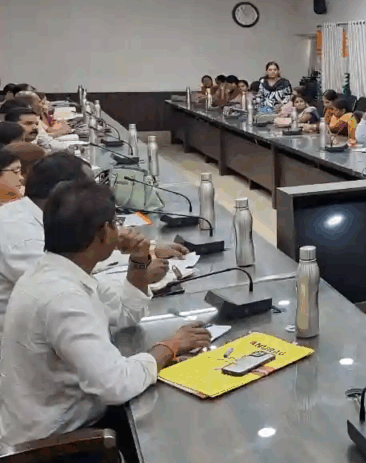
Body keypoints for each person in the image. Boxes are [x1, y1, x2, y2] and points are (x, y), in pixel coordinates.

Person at [0, 180, 212, 448]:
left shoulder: (58, 271)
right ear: (102, 233)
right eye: (115, 223)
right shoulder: (62, 297)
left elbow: (126, 313)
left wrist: (139, 258)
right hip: (55, 447)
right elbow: (115, 385)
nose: (122, 231)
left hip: (66, 421)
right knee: (180, 427)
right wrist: (170, 347)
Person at [0, 152, 185, 339]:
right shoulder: (22, 239)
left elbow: (82, 263)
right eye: (89, 189)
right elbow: (83, 294)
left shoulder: (32, 216)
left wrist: (143, 253)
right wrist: (140, 275)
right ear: (62, 193)